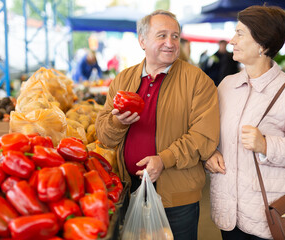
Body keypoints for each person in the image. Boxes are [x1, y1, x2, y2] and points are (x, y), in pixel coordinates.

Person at [95, 9, 220, 240]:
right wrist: (116, 123)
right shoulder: (123, 79)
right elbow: (103, 135)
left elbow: (204, 137)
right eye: (161, 35)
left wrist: (164, 159)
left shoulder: (198, 81)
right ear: (142, 40)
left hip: (178, 196)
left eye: (175, 36)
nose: (170, 43)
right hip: (130, 188)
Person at [205, 5, 285, 240]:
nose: (232, 40)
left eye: (240, 34)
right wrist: (210, 153)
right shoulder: (227, 86)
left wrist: (266, 145)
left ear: (262, 45)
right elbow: (212, 134)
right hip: (228, 212)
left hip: (268, 217)